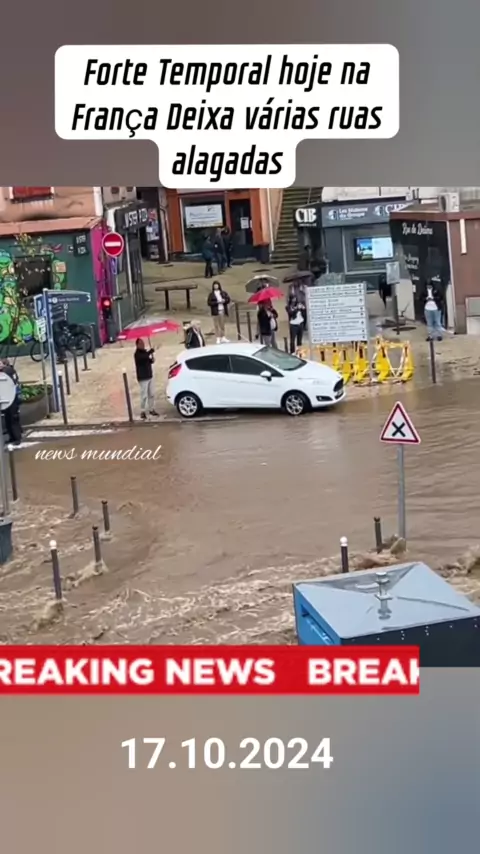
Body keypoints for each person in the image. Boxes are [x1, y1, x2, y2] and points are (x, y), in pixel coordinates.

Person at [134, 338, 159, 420]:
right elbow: (143, 358)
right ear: (137, 345)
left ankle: (151, 409)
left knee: (151, 394)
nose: (143, 345)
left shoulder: (145, 352)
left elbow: (147, 360)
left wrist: (152, 360)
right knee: (144, 395)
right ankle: (142, 411)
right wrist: (150, 351)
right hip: (143, 377)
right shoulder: (137, 354)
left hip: (149, 375)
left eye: (143, 343)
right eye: (141, 343)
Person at [0, 359, 22, 445]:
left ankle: (16, 438)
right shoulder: (10, 370)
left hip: (12, 397)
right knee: (9, 418)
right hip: (9, 397)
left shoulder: (7, 371)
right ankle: (12, 437)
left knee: (13, 418)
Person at [286, 289, 306, 354]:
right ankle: (292, 352)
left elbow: (304, 312)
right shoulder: (288, 307)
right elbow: (291, 314)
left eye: (295, 299)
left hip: (300, 324)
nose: (294, 300)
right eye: (293, 299)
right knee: (292, 340)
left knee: (299, 340)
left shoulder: (299, 304)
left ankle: (299, 352)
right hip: (293, 325)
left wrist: (303, 308)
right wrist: (297, 308)